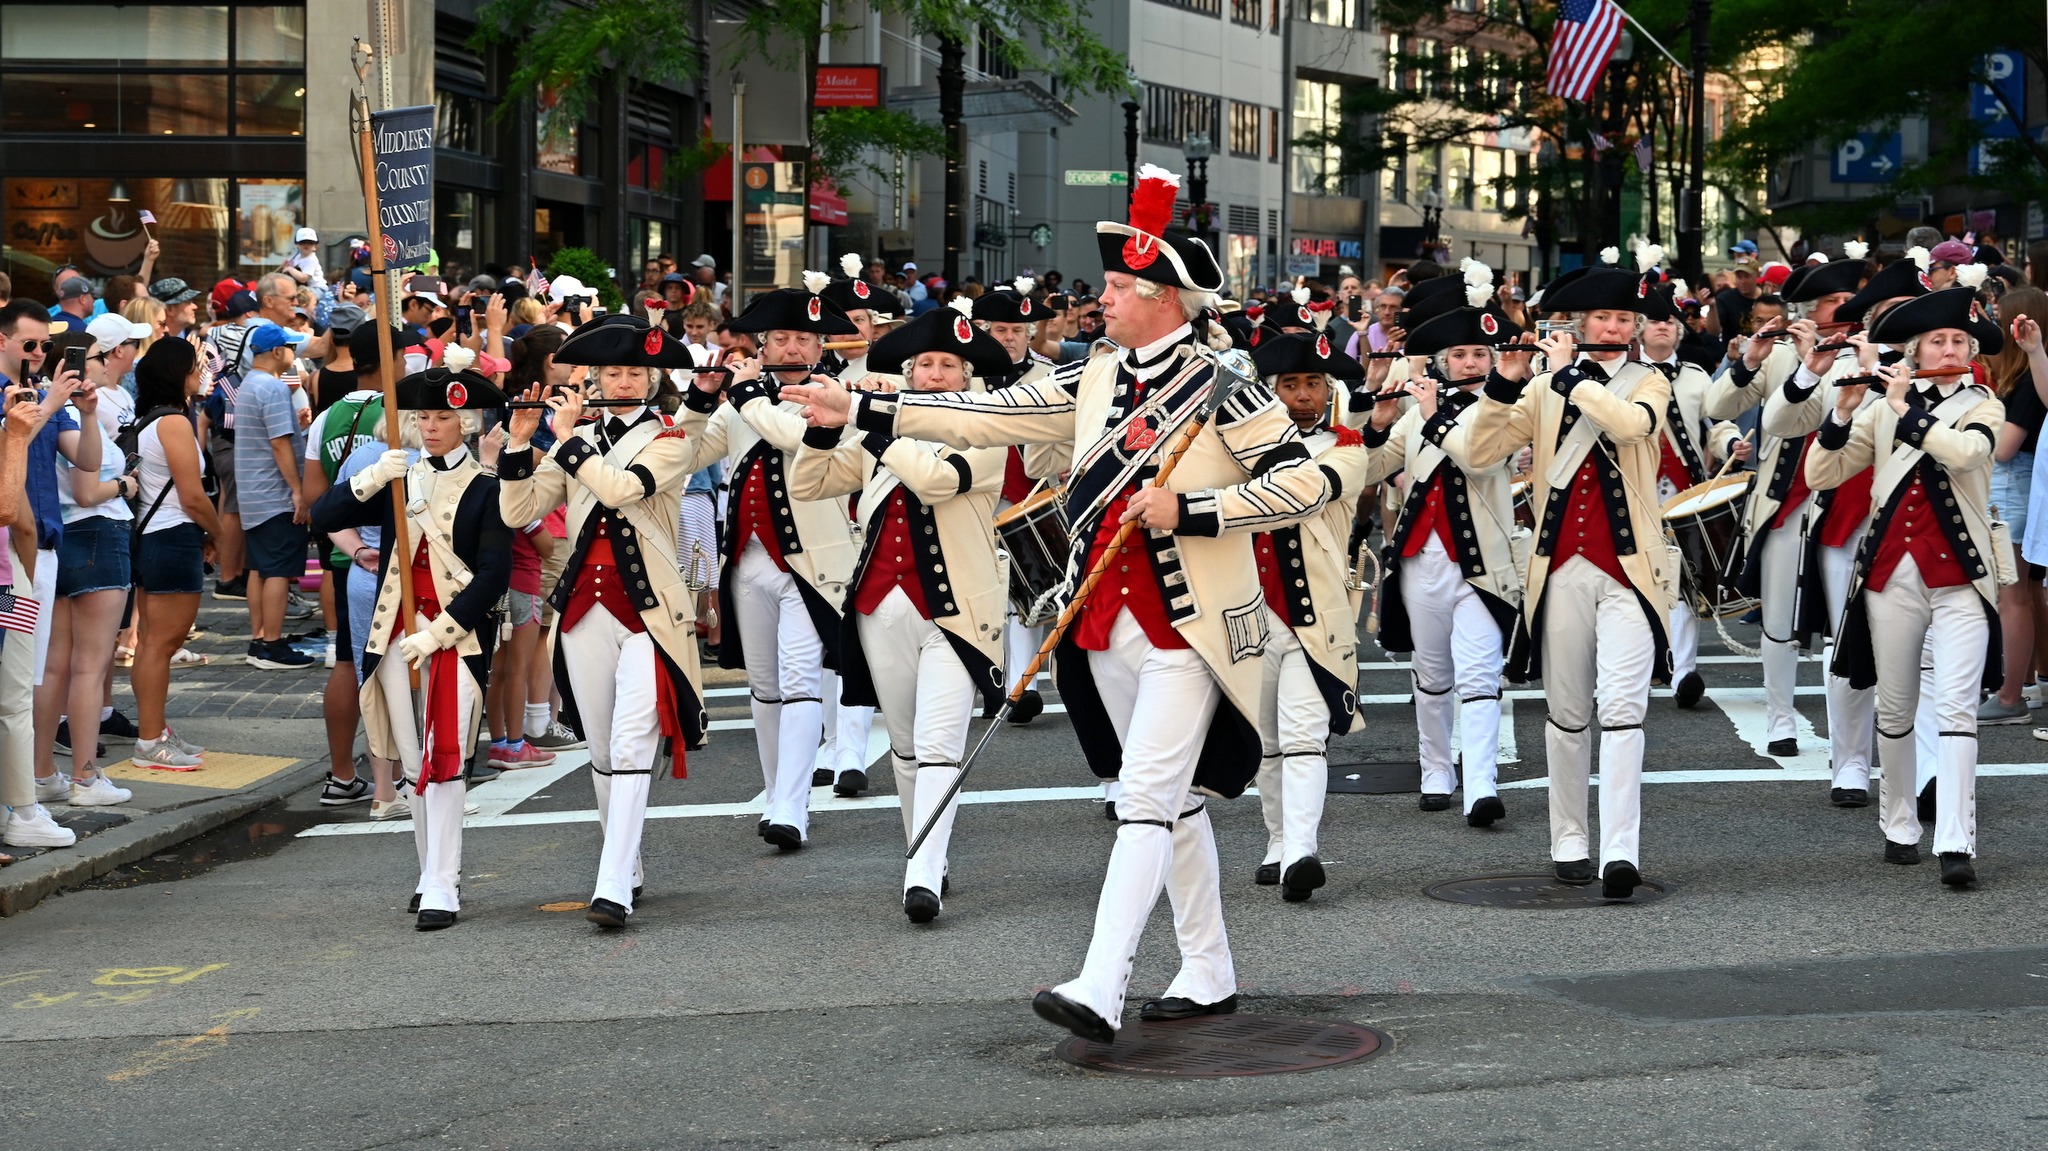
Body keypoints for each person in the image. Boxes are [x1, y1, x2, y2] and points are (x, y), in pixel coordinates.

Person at [781, 164, 1330, 1040]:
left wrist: (1194, 508)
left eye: (1117, 287)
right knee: (1173, 802)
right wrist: (862, 407)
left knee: (1145, 799)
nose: (1099, 300)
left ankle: (1099, 983)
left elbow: (1305, 481)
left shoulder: (1231, 388)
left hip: (1192, 627)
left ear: (1163, 298)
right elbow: (982, 415)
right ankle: (1210, 965)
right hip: (1103, 621)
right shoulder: (1098, 379)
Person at [1445, 262, 1675, 899]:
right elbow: (1475, 452)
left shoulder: (1650, 381)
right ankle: (1569, 835)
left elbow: (1633, 427)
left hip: (1630, 571)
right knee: (1568, 714)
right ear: (1578, 324)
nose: (1615, 326)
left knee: (1624, 711)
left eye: (1624, 319)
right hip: (1560, 567)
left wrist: (1572, 377)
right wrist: (1505, 381)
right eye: (1604, 318)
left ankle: (1620, 850)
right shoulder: (1545, 389)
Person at [786, 309, 1011, 922]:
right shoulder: (878, 431)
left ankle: (920, 872)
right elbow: (809, 485)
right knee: (909, 748)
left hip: (957, 612)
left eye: (948, 366)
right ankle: (927, 854)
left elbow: (937, 481)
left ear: (968, 376)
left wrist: (875, 424)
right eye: (924, 366)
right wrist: (825, 429)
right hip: (880, 605)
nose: (935, 375)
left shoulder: (988, 432)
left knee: (940, 745)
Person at [500, 314, 711, 929]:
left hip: (650, 613)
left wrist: (565, 442)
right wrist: (519, 439)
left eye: (634, 373)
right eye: (612, 372)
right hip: (582, 610)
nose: (622, 382)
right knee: (599, 748)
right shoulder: (577, 436)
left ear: (653, 377)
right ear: (593, 376)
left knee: (629, 744)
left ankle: (612, 883)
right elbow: (519, 510)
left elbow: (622, 490)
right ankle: (629, 863)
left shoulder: (673, 437)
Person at [1805, 287, 2005, 889]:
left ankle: (1956, 841)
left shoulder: (1983, 404)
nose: (1950, 349)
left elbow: (1967, 454)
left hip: (1963, 577)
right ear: (1915, 349)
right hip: (1891, 573)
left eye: (1959, 342)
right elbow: (1823, 473)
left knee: (1956, 707)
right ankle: (1898, 825)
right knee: (1894, 708)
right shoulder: (1882, 406)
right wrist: (1841, 413)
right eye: (1938, 341)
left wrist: (1905, 410)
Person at [314, 367, 514, 929]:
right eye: (422, 417)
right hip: (394, 636)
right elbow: (323, 518)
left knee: (446, 758)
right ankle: (428, 871)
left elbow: (493, 573)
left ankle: (444, 883)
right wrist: (374, 474)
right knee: (412, 759)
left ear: (467, 422)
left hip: (455, 636)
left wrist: (440, 631)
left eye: (443, 417)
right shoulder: (398, 477)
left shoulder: (487, 487)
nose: (430, 427)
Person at [671, 283, 862, 847]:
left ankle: (792, 806)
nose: (794, 349)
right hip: (747, 560)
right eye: (782, 338)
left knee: (803, 678)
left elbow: (801, 439)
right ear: (765, 342)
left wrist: (750, 395)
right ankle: (778, 789)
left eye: (804, 338)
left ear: (819, 343)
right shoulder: (741, 398)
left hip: (814, 564)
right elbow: (685, 454)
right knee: (764, 685)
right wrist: (702, 400)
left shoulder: (837, 393)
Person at [1362, 281, 1523, 830]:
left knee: (1480, 675)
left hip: (1483, 564)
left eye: (1481, 353)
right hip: (1420, 559)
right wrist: (1380, 421)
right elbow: (1370, 469)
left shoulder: (1506, 409)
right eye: (1460, 354)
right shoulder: (1414, 412)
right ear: (1442, 360)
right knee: (1432, 674)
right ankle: (1436, 771)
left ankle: (1481, 785)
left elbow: (1479, 460)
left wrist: (1431, 413)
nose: (1471, 361)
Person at [1227, 331, 1367, 899]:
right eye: (1289, 384)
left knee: (1306, 736)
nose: (1303, 394)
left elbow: (1308, 493)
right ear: (1269, 389)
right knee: (1266, 740)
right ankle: (1277, 841)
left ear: (1328, 389)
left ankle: (1303, 851)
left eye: (1313, 383)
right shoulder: (1232, 450)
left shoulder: (1347, 449)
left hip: (1314, 614)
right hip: (1248, 611)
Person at [973, 279, 1066, 725]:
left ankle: (1018, 687)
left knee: (1029, 591)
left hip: (1034, 497)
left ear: (1030, 334)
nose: (1008, 338)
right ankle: (992, 678)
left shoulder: (1051, 376)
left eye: (1017, 330)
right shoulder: (967, 375)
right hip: (975, 495)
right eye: (1000, 330)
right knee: (983, 590)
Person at [128, 339, 222, 768]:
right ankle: (150, 741)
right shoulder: (174, 423)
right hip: (172, 536)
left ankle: (155, 731)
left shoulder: (150, 419)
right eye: (195, 365)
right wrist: (218, 534)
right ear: (177, 372)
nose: (201, 372)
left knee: (151, 642)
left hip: (154, 537)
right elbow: (193, 495)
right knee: (161, 644)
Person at [232, 322, 315, 670]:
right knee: (278, 569)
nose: (294, 354)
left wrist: (295, 424)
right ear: (278, 351)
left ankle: (259, 636)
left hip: (253, 492)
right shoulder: (274, 388)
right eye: (290, 348)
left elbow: (272, 433)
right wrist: (298, 491)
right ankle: (271, 643)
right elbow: (279, 443)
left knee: (260, 568)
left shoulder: (250, 383)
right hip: (274, 494)